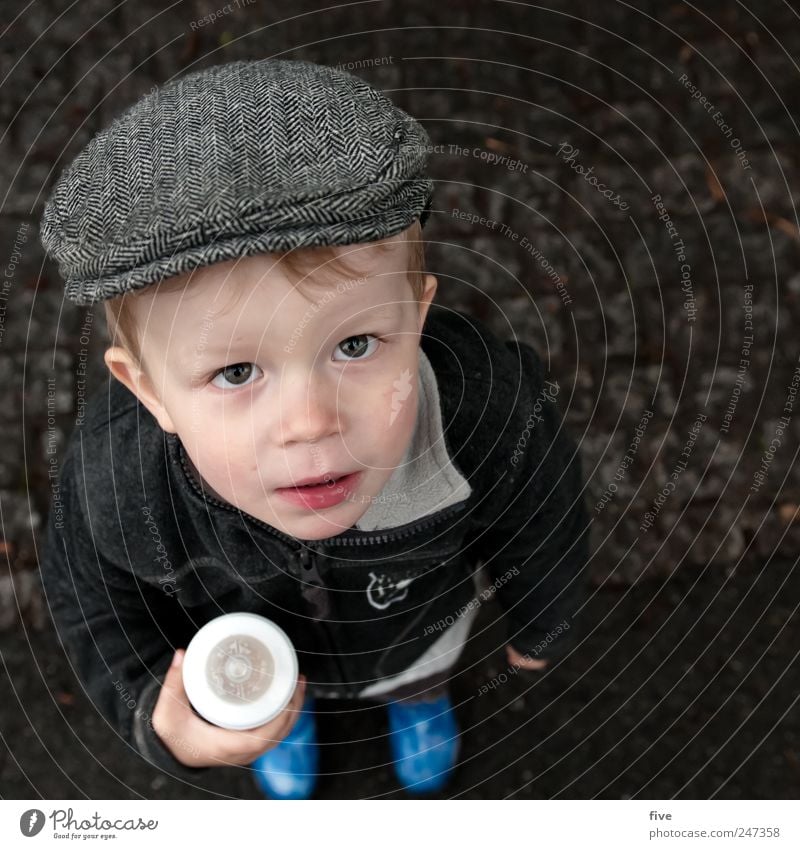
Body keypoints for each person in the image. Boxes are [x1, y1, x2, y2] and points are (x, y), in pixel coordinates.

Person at [38, 58, 591, 799]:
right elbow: (89, 595)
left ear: (415, 318)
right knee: (268, 693)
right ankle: (282, 716)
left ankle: (418, 700)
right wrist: (157, 714)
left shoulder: (481, 407)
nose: (309, 424)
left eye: (355, 346)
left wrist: (543, 616)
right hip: (252, 663)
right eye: (236, 373)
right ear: (148, 391)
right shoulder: (118, 475)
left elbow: (544, 508)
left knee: (419, 671)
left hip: (416, 637)